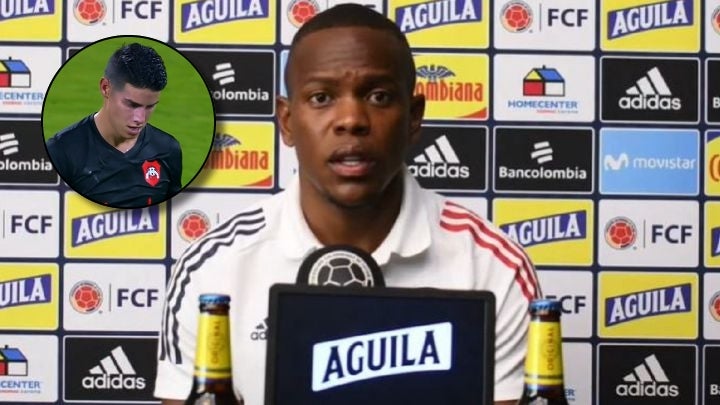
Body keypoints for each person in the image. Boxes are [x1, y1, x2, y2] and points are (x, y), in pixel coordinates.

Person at [155, 4, 540, 404]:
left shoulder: (493, 266)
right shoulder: (212, 268)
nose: (351, 119)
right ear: (287, 121)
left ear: (414, 117)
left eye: (378, 96)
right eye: (321, 97)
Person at [46, 42, 182, 208]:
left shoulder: (168, 149)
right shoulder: (62, 151)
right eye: (131, 104)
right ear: (106, 88)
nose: (140, 119)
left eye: (150, 106)